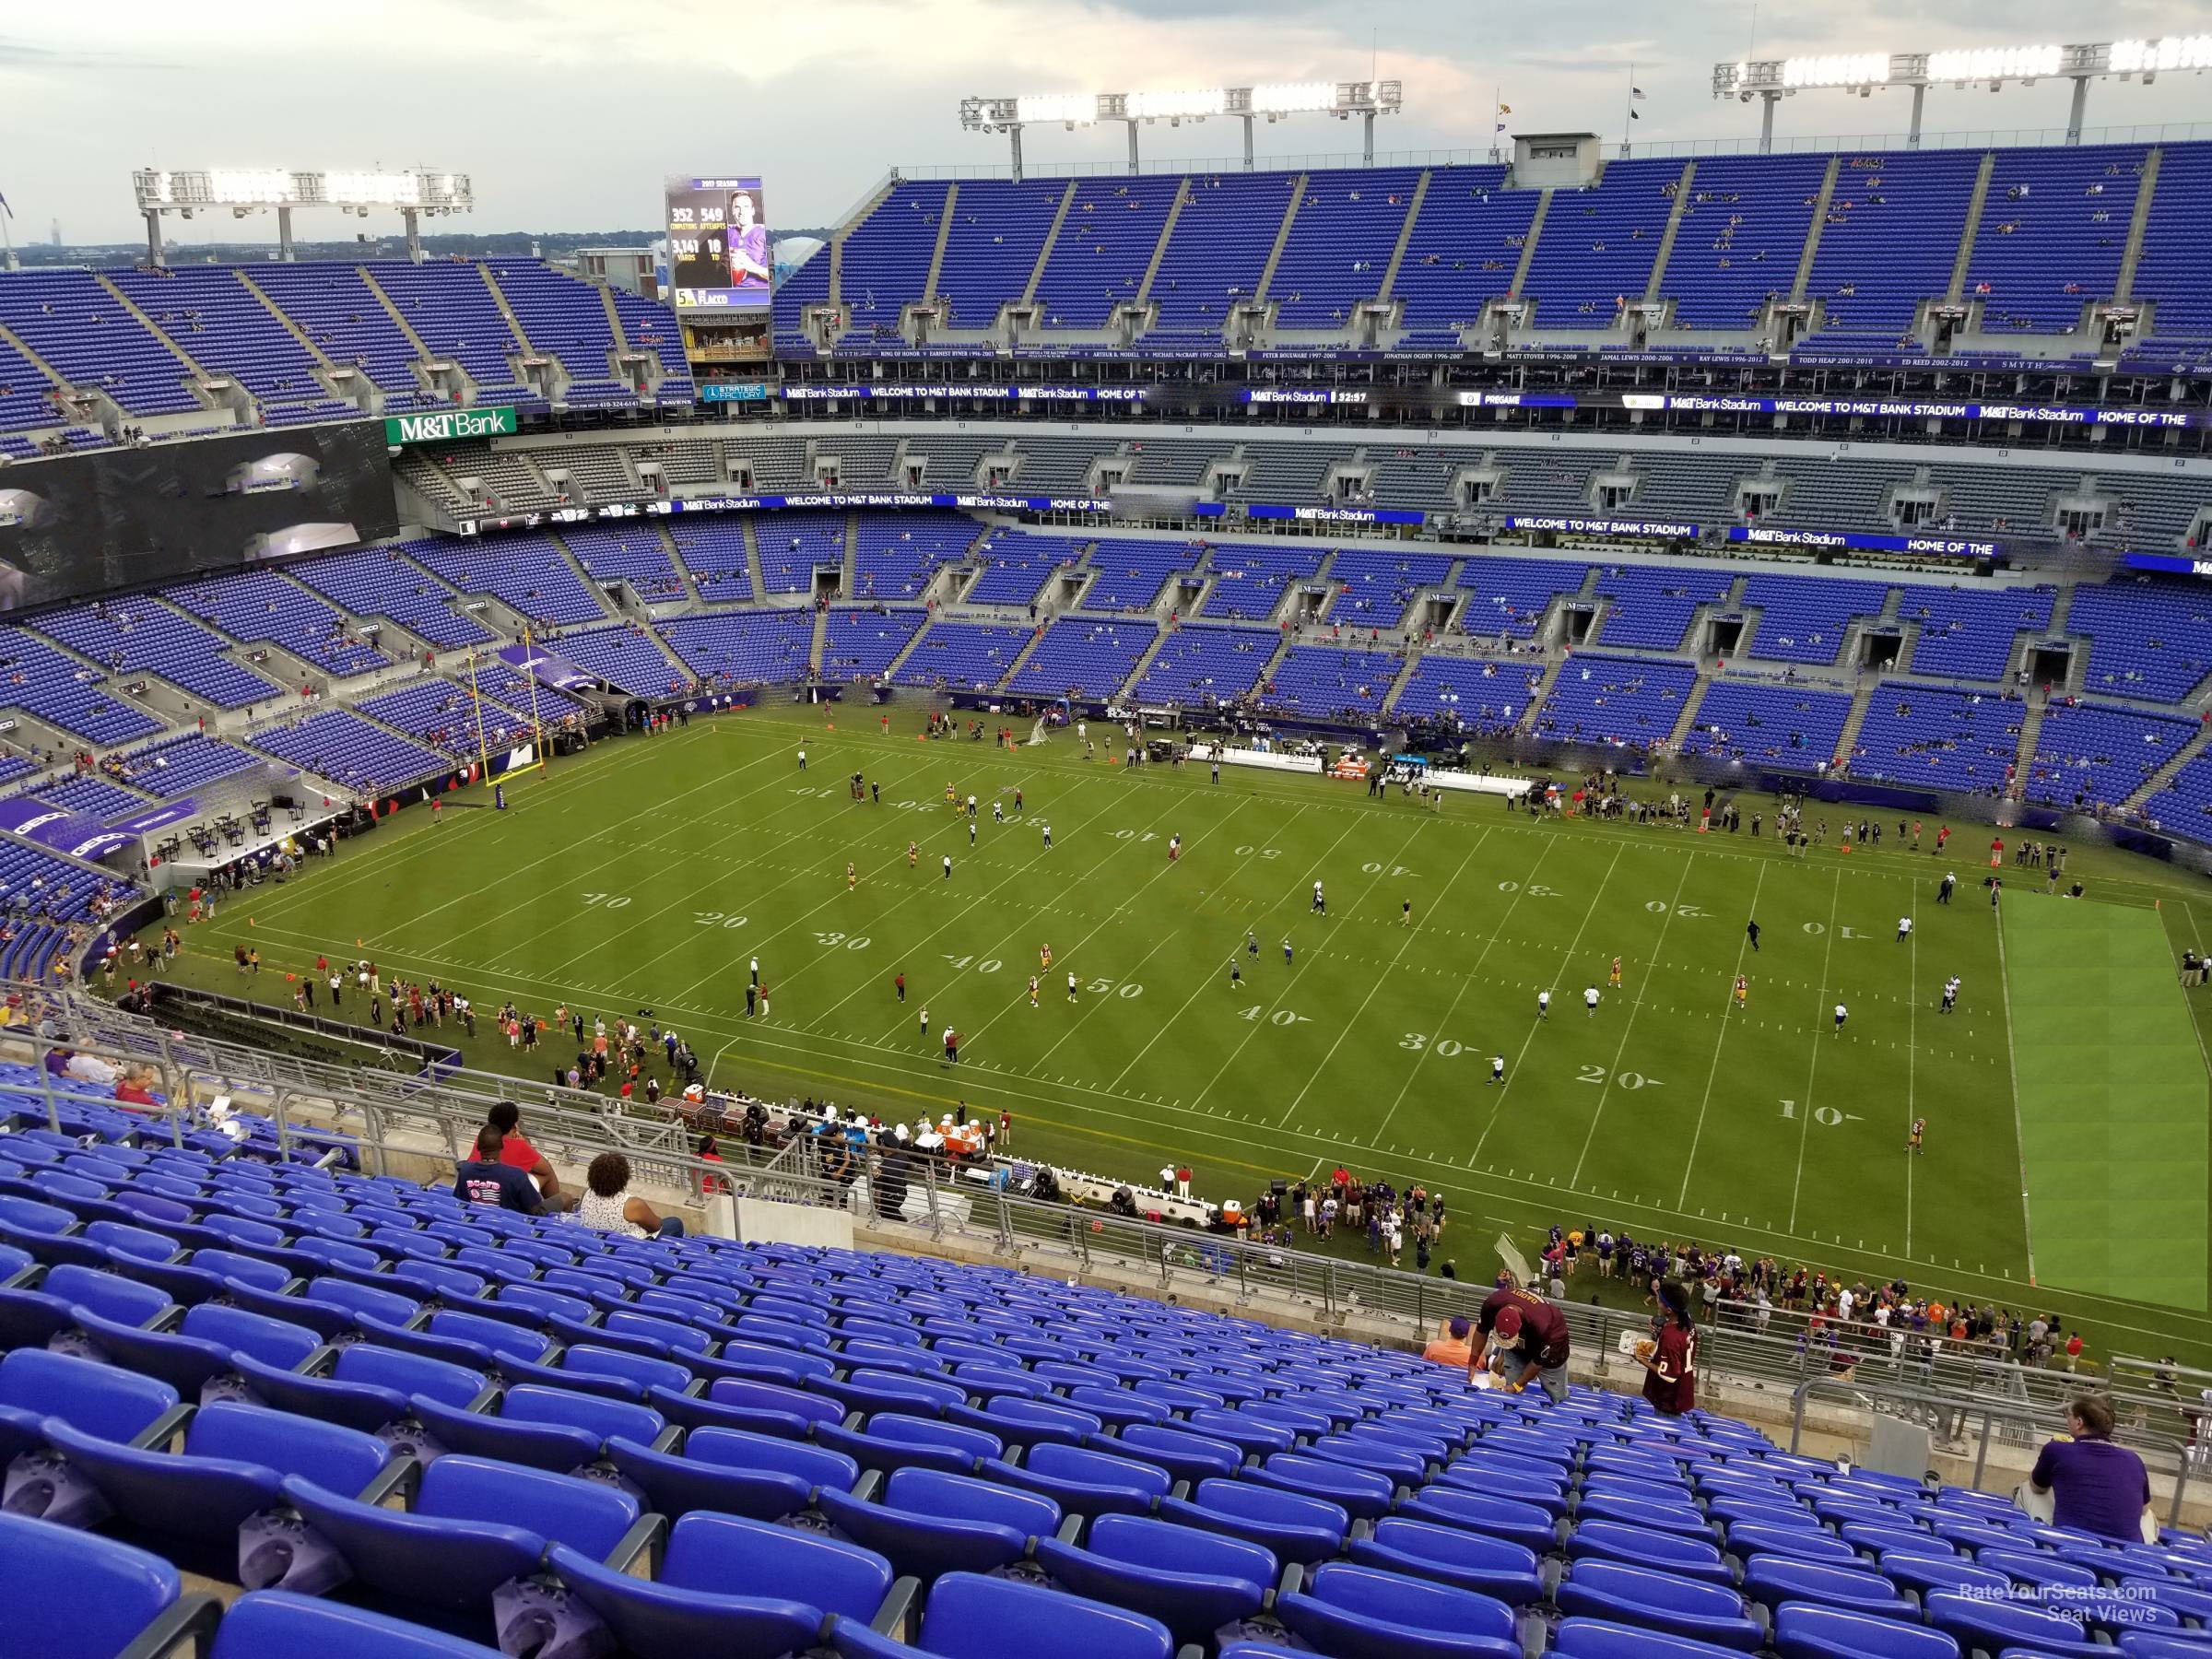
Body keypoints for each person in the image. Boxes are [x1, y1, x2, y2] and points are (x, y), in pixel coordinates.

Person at [2030, 1395, 2153, 1541]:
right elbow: (2144, 1509)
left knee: (2028, 1488)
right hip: (2125, 1553)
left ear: (2079, 1422)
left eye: (2068, 1415)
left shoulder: (2056, 1449)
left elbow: (2038, 1488)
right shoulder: (2134, 1460)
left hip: (2071, 1543)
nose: (2067, 1419)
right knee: (2148, 1514)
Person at [1468, 1281, 1571, 1405]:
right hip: (1519, 1347)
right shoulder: (1492, 1303)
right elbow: (1481, 1331)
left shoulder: (1543, 1324)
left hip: (1553, 1349)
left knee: (1556, 1395)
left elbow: (1538, 1362)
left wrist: (1518, 1385)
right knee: (1511, 1390)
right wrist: (1472, 1363)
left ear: (1520, 1326)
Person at [487, 1100, 572, 1210]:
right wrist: (526, 1144)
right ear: (513, 1127)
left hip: (483, 1197)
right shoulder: (517, 1145)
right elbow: (545, 1169)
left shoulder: (482, 1140)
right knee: (549, 1176)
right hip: (509, 1203)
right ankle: (555, 1212)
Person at [582, 1150, 685, 1238]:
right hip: (628, 1245)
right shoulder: (632, 1205)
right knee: (675, 1223)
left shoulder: (585, 1194)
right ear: (624, 1178)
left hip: (598, 1242)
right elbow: (656, 1226)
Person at [1637, 1279, 1698, 1416]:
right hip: (1682, 1390)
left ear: (1669, 1310)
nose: (1658, 1302)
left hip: (1668, 1399)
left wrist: (1641, 1360)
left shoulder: (1671, 1337)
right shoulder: (1687, 1321)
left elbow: (1669, 1375)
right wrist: (1659, 1333)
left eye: (1660, 1301)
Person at [454, 1126, 545, 1213]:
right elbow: (534, 1208)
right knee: (557, 1200)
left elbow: (459, 1201)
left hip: (474, 1221)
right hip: (509, 1225)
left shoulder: (465, 1170)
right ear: (502, 1147)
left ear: (478, 1147)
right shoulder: (517, 1175)